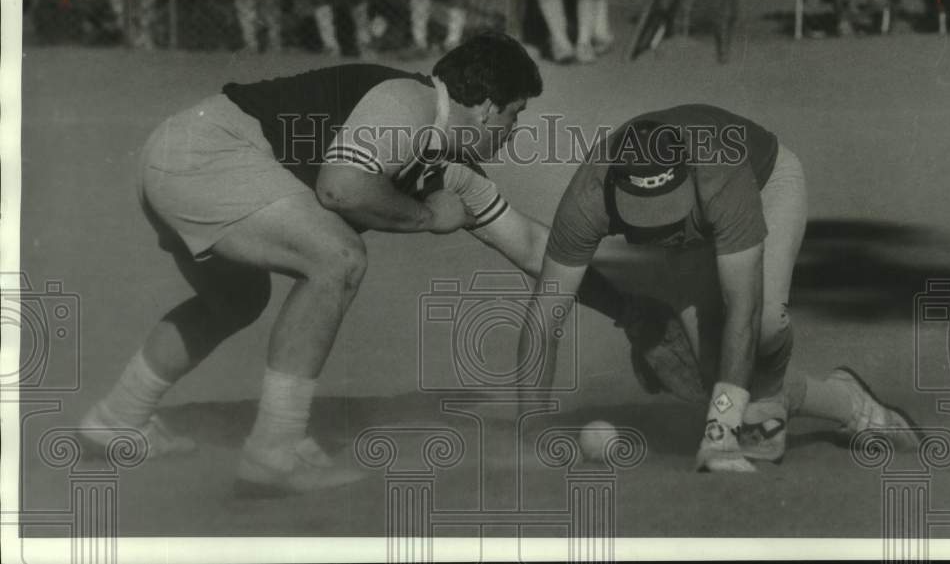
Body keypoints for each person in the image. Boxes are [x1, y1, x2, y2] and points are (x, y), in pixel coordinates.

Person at [79, 32, 667, 496]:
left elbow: (540, 251)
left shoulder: (452, 169)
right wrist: (427, 219)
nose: (512, 131)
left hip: (182, 157)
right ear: (486, 107)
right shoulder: (408, 102)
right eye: (514, 115)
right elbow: (340, 189)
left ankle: (117, 417)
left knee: (236, 299)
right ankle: (275, 450)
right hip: (207, 153)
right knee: (336, 257)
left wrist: (629, 309)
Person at [516, 105, 921, 472]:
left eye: (667, 208)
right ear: (616, 194)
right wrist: (532, 435)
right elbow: (543, 316)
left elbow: (743, 313)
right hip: (691, 236)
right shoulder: (587, 198)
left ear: (688, 177)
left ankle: (848, 409)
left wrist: (720, 433)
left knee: (763, 327)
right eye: (645, 215)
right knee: (708, 380)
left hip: (765, 186)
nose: (658, 221)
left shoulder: (720, 175)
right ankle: (839, 397)